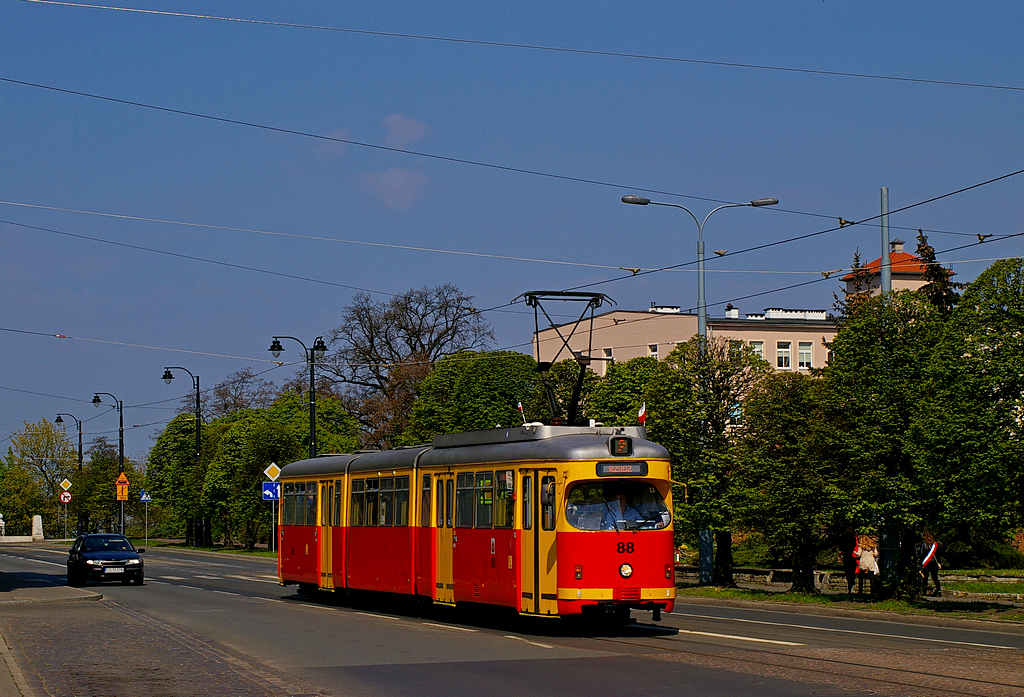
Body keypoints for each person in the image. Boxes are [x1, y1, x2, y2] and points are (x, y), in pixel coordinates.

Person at [919, 531, 942, 596]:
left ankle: (924, 592)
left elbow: (922, 554)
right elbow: (938, 555)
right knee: (935, 577)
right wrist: (939, 563)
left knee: (925, 578)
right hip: (934, 563)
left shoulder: (924, 545)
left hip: (927, 563)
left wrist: (921, 564)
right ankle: (939, 590)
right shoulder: (935, 545)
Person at [840, 527, 859, 594]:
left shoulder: (843, 539)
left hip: (846, 557)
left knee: (847, 572)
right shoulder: (853, 539)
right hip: (853, 556)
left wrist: (839, 556)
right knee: (852, 572)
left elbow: (841, 549)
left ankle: (850, 585)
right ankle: (852, 583)